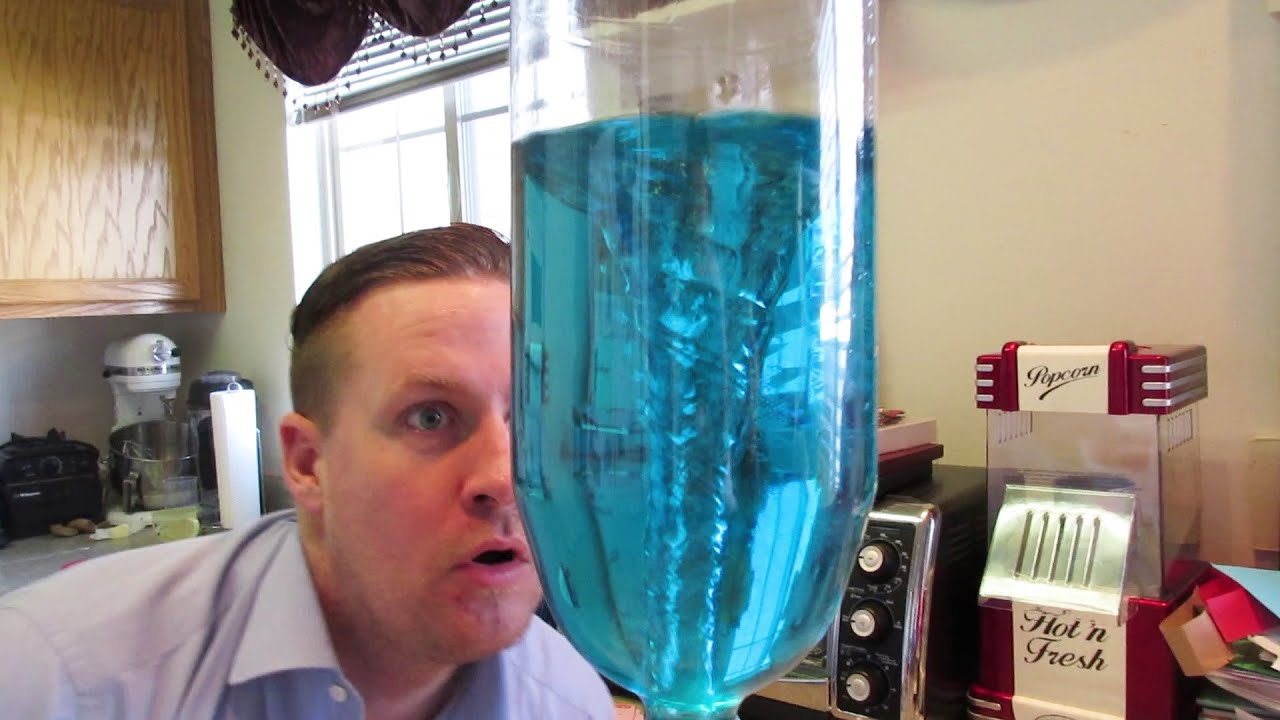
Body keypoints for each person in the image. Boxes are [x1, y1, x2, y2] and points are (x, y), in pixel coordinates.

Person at [0, 224, 617, 719]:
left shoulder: (566, 699)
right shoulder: (55, 680)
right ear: (307, 464)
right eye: (430, 417)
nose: (507, 481)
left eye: (534, 416)